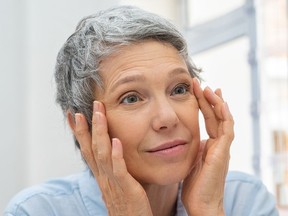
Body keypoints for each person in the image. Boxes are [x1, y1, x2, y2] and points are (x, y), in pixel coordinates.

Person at [4, 5, 278, 216]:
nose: (168, 118)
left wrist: (208, 210)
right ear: (82, 125)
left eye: (179, 89)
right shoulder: (37, 211)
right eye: (131, 98)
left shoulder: (244, 200)